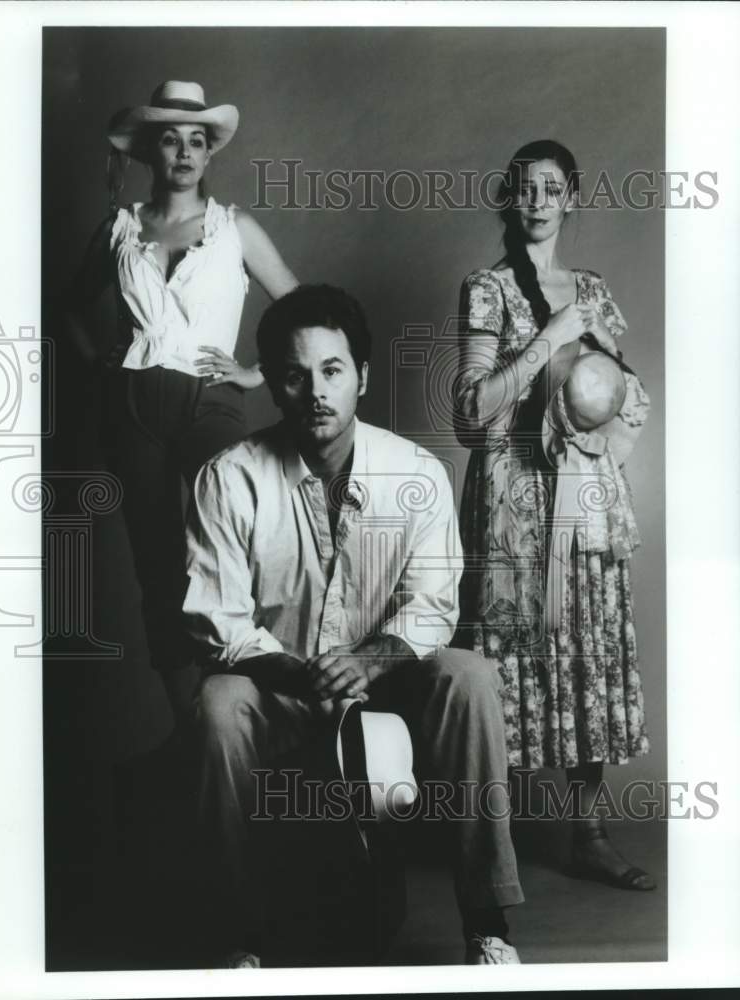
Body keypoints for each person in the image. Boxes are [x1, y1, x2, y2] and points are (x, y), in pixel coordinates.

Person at [183, 284, 524, 967]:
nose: (316, 391)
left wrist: (367, 660)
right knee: (218, 704)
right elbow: (218, 618)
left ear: (361, 377)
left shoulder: (415, 473)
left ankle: (487, 927)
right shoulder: (229, 478)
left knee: (471, 676)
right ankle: (238, 937)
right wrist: (298, 673)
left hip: (389, 683)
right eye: (295, 374)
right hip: (279, 687)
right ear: (272, 383)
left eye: (332, 370)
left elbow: (433, 604)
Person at [64, 81, 298, 725]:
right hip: (132, 408)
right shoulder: (121, 228)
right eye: (171, 139)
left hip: (210, 404)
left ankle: (251, 709)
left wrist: (254, 375)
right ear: (150, 151)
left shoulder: (233, 228)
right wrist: (100, 367)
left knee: (229, 555)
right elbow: (70, 307)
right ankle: (188, 724)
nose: (186, 152)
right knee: (157, 564)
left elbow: (300, 307)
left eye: (197, 140)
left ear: (209, 152)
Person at [454, 140, 655, 891]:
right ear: (509, 200)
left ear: (570, 198)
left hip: (585, 495)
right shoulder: (487, 289)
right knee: (508, 656)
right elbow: (471, 415)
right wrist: (548, 339)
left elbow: (615, 395)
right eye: (524, 188)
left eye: (551, 187)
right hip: (515, 500)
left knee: (587, 650)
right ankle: (491, 841)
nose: (537, 200)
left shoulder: (593, 291)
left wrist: (601, 384)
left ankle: (588, 834)